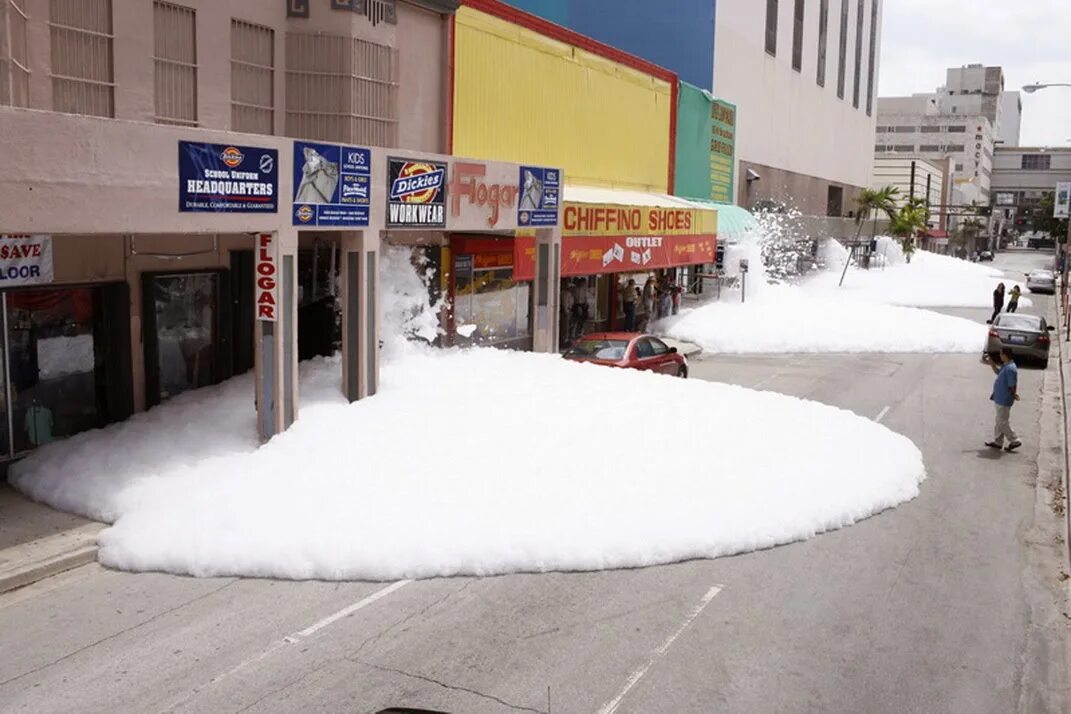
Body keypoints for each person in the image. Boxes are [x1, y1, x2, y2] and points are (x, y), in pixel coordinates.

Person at [984, 347, 1021, 452]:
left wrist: (1013, 395)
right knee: (999, 420)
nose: (1000, 356)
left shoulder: (1010, 369)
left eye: (1001, 354)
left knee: (1002, 422)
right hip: (999, 397)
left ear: (1005, 355)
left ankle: (1015, 440)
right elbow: (998, 372)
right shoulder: (1006, 366)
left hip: (1004, 399)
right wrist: (991, 363)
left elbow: (1012, 385)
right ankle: (998, 441)